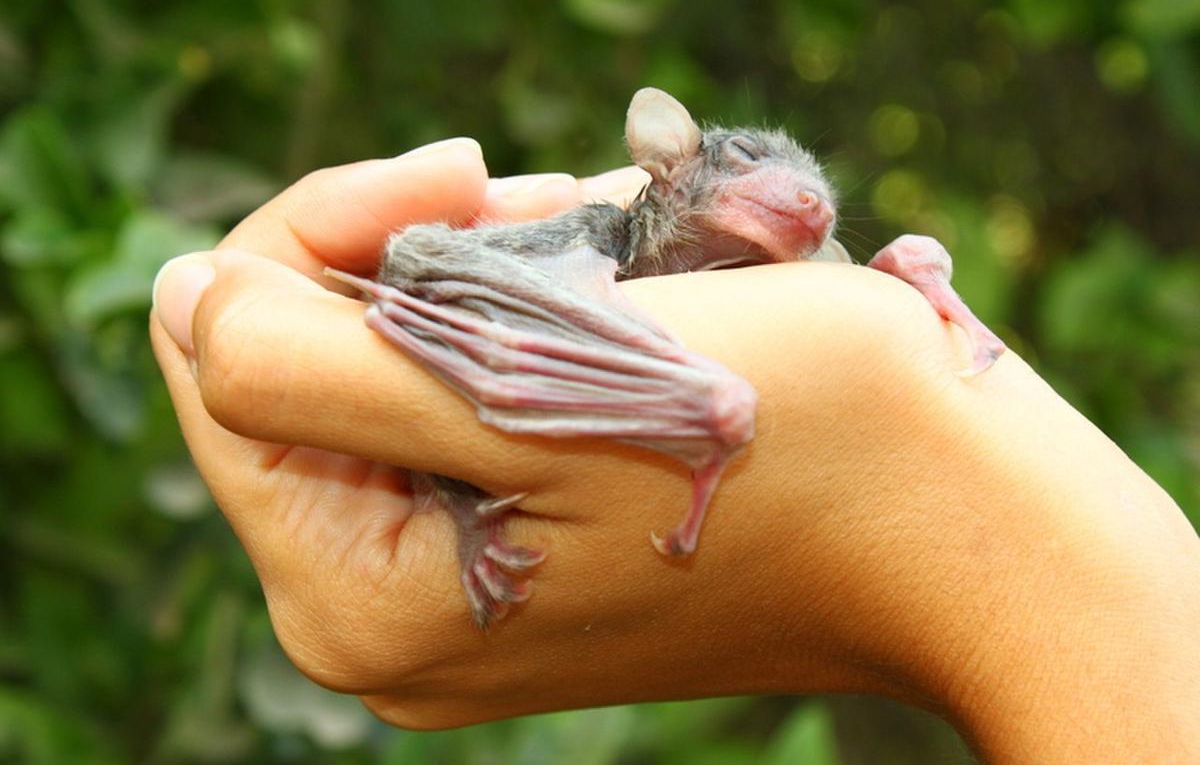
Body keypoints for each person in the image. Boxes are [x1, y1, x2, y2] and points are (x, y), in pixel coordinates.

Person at [150, 137, 1200, 763]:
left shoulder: (790, 286)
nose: (799, 199)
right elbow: (434, 271)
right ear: (670, 175)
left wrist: (918, 462)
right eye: (746, 167)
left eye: (811, 192)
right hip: (509, 336)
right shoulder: (594, 250)